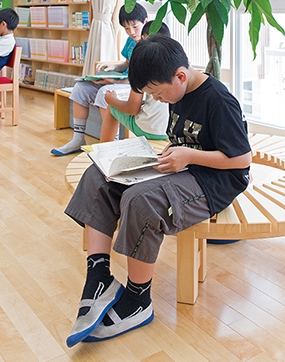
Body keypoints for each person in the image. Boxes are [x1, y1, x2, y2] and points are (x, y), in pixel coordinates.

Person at [64, 35, 252, 346]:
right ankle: (99, 277)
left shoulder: (219, 100)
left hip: (216, 180)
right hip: (182, 168)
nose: (158, 99)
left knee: (141, 201)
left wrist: (188, 156)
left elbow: (242, 160)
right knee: (98, 176)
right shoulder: (176, 91)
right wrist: (174, 156)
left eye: (158, 93)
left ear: (180, 76)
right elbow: (181, 141)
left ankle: (138, 299)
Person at [51, 3, 148, 156]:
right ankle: (78, 139)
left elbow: (143, 80)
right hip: (121, 81)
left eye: (135, 27)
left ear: (145, 22)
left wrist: (115, 82)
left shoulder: (149, 45)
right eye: (126, 28)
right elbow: (126, 64)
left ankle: (112, 143)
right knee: (81, 88)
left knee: (105, 92)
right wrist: (110, 68)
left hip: (133, 86)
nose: (131, 32)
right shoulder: (131, 41)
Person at [100, 21, 171, 142]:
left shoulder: (142, 65)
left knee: (112, 107)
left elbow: (132, 109)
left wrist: (111, 99)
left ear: (143, 38)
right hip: (171, 129)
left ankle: (105, 149)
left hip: (150, 129)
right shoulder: (177, 63)